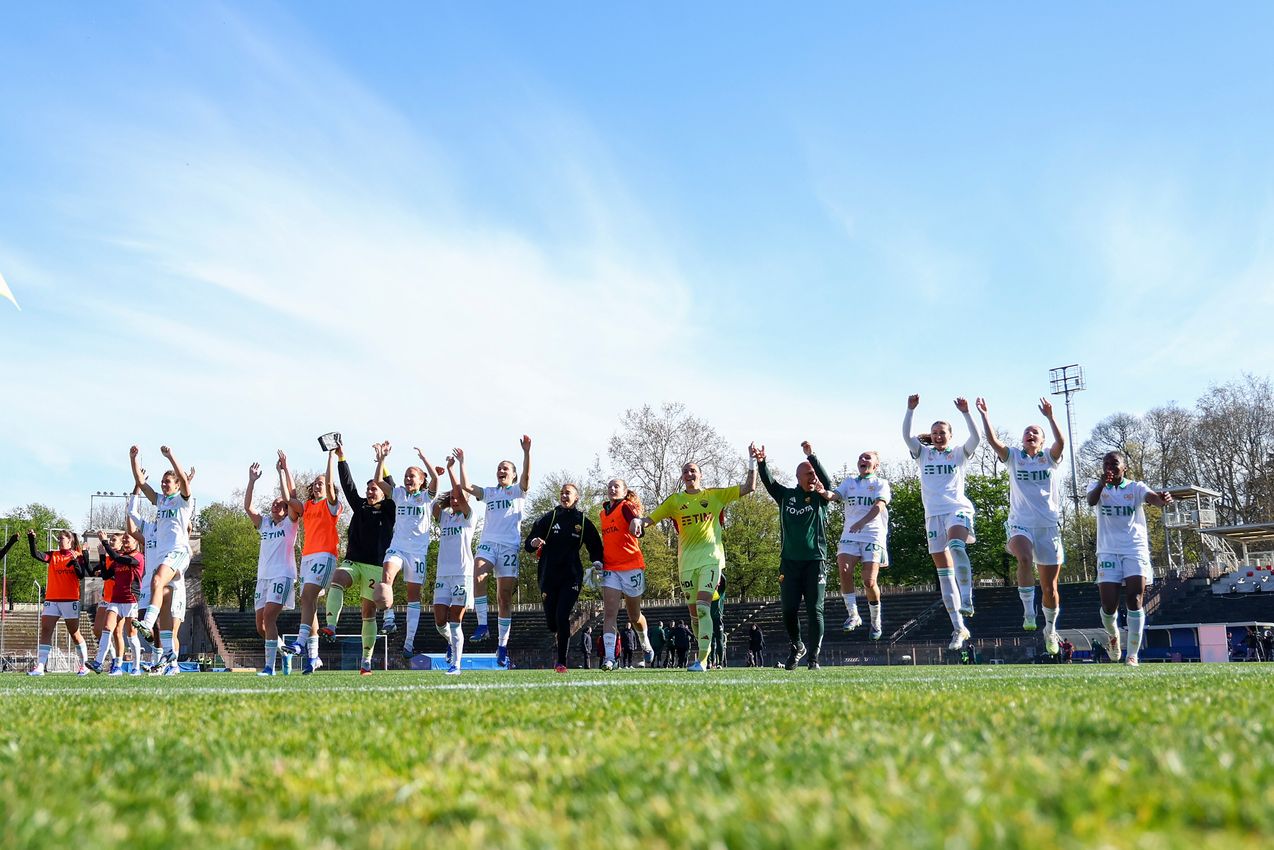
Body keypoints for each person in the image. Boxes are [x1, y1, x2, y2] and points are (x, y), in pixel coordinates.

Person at [640, 452, 758, 672]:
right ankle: (706, 645)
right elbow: (650, 520)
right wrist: (638, 522)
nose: (689, 473)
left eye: (693, 470)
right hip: (686, 565)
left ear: (700, 475)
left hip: (711, 560)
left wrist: (753, 462)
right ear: (682, 477)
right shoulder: (675, 501)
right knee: (695, 615)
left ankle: (703, 659)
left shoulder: (714, 496)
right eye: (685, 471)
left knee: (704, 609)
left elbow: (749, 487)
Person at [976, 397, 1067, 654]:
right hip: (1020, 524)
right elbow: (994, 442)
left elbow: (1062, 443)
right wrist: (985, 414)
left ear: (1041, 439)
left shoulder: (1050, 458)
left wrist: (1050, 416)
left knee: (1050, 588)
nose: (1030, 434)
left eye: (1035, 432)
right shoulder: (1014, 457)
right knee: (1024, 559)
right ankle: (1029, 612)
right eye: (1027, 431)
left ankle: (1050, 628)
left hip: (1048, 526)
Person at [902, 395, 981, 650]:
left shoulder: (958, 454)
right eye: (934, 432)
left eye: (942, 432)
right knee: (945, 576)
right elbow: (906, 435)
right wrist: (910, 410)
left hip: (956, 509)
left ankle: (967, 599)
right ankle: (959, 629)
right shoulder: (923, 454)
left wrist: (967, 413)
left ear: (950, 435)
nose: (937, 436)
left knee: (957, 545)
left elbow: (976, 439)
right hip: (932, 515)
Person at [1088, 451, 1173, 667]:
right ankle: (1113, 635)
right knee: (1109, 606)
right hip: (1107, 551)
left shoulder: (1136, 487)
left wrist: (1162, 500)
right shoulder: (1096, 486)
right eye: (1106, 463)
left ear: (1124, 467)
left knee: (1135, 599)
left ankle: (1132, 655)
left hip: (1135, 549)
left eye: (1114, 463)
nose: (1109, 467)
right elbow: (1091, 501)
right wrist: (1101, 484)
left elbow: (1153, 498)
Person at [755, 441, 834, 670]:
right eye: (808, 473)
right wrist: (762, 463)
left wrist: (813, 457)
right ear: (798, 476)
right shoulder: (786, 497)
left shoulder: (821, 497)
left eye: (814, 473)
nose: (813, 476)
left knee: (814, 609)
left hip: (815, 562)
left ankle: (814, 659)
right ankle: (798, 646)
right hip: (789, 563)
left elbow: (827, 483)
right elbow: (769, 482)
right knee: (788, 609)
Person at [325, 442, 398, 675]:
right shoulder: (359, 507)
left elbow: (392, 487)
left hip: (376, 567)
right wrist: (341, 457)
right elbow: (347, 485)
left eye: (374, 489)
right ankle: (331, 627)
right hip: (354, 562)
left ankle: (366, 661)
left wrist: (382, 463)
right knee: (337, 578)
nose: (369, 491)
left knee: (367, 613)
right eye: (368, 488)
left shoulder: (389, 509)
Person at [465, 436, 532, 668]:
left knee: (504, 598)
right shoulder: (490, 493)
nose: (501, 471)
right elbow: (467, 486)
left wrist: (526, 452)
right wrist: (461, 463)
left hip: (509, 547)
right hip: (488, 543)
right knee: (479, 572)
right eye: (499, 468)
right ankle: (482, 625)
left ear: (512, 474)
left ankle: (502, 647)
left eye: (505, 468)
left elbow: (526, 478)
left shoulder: (517, 491)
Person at [525, 483, 604, 673]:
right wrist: (534, 542)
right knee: (552, 623)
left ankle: (561, 662)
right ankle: (555, 629)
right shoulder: (550, 518)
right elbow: (529, 542)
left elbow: (595, 545)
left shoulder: (582, 521)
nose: (564, 496)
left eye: (568, 493)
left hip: (571, 576)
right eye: (561, 493)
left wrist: (597, 561)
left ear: (576, 497)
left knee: (562, 616)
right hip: (548, 575)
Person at [129, 445, 195, 652]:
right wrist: (134, 459)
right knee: (165, 606)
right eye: (162, 482)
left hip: (178, 552)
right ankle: (168, 658)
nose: (163, 484)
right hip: (164, 555)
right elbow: (141, 483)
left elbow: (184, 481)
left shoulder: (183, 501)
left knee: (156, 579)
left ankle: (147, 622)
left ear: (176, 485)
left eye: (167, 481)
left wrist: (170, 456)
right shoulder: (161, 502)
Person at [376, 442, 440, 644]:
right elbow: (378, 481)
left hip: (417, 552)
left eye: (412, 475)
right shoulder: (399, 493)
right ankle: (389, 618)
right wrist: (382, 459)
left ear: (422, 481)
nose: (407, 478)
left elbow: (436, 479)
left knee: (414, 596)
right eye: (406, 475)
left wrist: (423, 459)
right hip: (398, 548)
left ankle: (409, 641)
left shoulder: (426, 497)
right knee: (386, 574)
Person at [284, 449, 341, 674]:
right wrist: (285, 469)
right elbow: (290, 498)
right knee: (309, 604)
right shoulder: (307, 507)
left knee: (308, 596)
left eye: (322, 483)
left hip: (324, 556)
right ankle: (314, 657)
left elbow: (329, 486)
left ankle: (299, 642)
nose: (318, 486)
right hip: (307, 557)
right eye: (315, 483)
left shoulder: (331, 505)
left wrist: (330, 458)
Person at [244, 458, 302, 676]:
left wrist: (283, 471)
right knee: (261, 627)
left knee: (269, 618)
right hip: (263, 578)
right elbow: (248, 507)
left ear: (287, 510)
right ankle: (284, 652)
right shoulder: (265, 524)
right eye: (274, 503)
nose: (275, 505)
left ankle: (270, 668)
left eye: (280, 503)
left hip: (283, 576)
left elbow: (293, 498)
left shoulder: (290, 523)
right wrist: (251, 481)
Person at [596, 479, 655, 670]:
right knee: (610, 613)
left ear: (624, 491)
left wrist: (636, 526)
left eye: (617, 486)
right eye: (610, 486)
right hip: (611, 568)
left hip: (631, 567)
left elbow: (635, 523)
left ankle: (645, 642)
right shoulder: (603, 513)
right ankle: (610, 658)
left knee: (634, 615)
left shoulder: (626, 507)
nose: (613, 489)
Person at [834, 451, 892, 640]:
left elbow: (879, 506)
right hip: (850, 533)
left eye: (868, 458)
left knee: (869, 581)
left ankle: (876, 621)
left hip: (872, 535)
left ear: (875, 465)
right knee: (844, 569)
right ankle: (853, 615)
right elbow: (833, 496)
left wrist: (862, 522)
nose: (863, 460)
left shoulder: (880, 483)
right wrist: (820, 490)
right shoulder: (849, 482)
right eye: (860, 457)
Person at [431, 452, 476, 676]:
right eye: (452, 498)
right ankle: (450, 643)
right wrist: (437, 479)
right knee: (440, 621)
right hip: (442, 576)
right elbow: (432, 503)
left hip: (462, 574)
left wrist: (453, 468)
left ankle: (455, 665)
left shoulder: (469, 517)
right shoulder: (445, 517)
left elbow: (459, 492)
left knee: (455, 620)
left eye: (459, 497)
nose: (455, 500)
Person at [26, 529, 90, 676]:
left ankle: (84, 665)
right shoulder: (53, 555)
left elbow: (81, 575)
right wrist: (32, 539)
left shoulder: (77, 555)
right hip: (52, 599)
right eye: (59, 538)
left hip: (70, 599)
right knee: (46, 630)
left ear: (70, 540)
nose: (59, 541)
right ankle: (40, 666)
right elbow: (35, 554)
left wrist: (74, 561)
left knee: (74, 633)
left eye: (62, 538)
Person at [88, 531, 144, 675]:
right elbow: (106, 575)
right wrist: (101, 556)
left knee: (131, 634)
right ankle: (99, 663)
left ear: (136, 542)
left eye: (127, 539)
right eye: (123, 539)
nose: (125, 541)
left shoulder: (137, 557)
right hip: (116, 600)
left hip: (130, 600)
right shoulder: (120, 559)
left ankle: (136, 667)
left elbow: (115, 556)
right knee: (107, 628)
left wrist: (105, 542)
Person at [709, 573, 726, 668]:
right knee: (710, 642)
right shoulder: (708, 593)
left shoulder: (721, 592)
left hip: (717, 620)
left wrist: (718, 570)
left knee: (719, 641)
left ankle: (720, 663)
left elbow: (724, 580)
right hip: (709, 620)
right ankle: (710, 662)